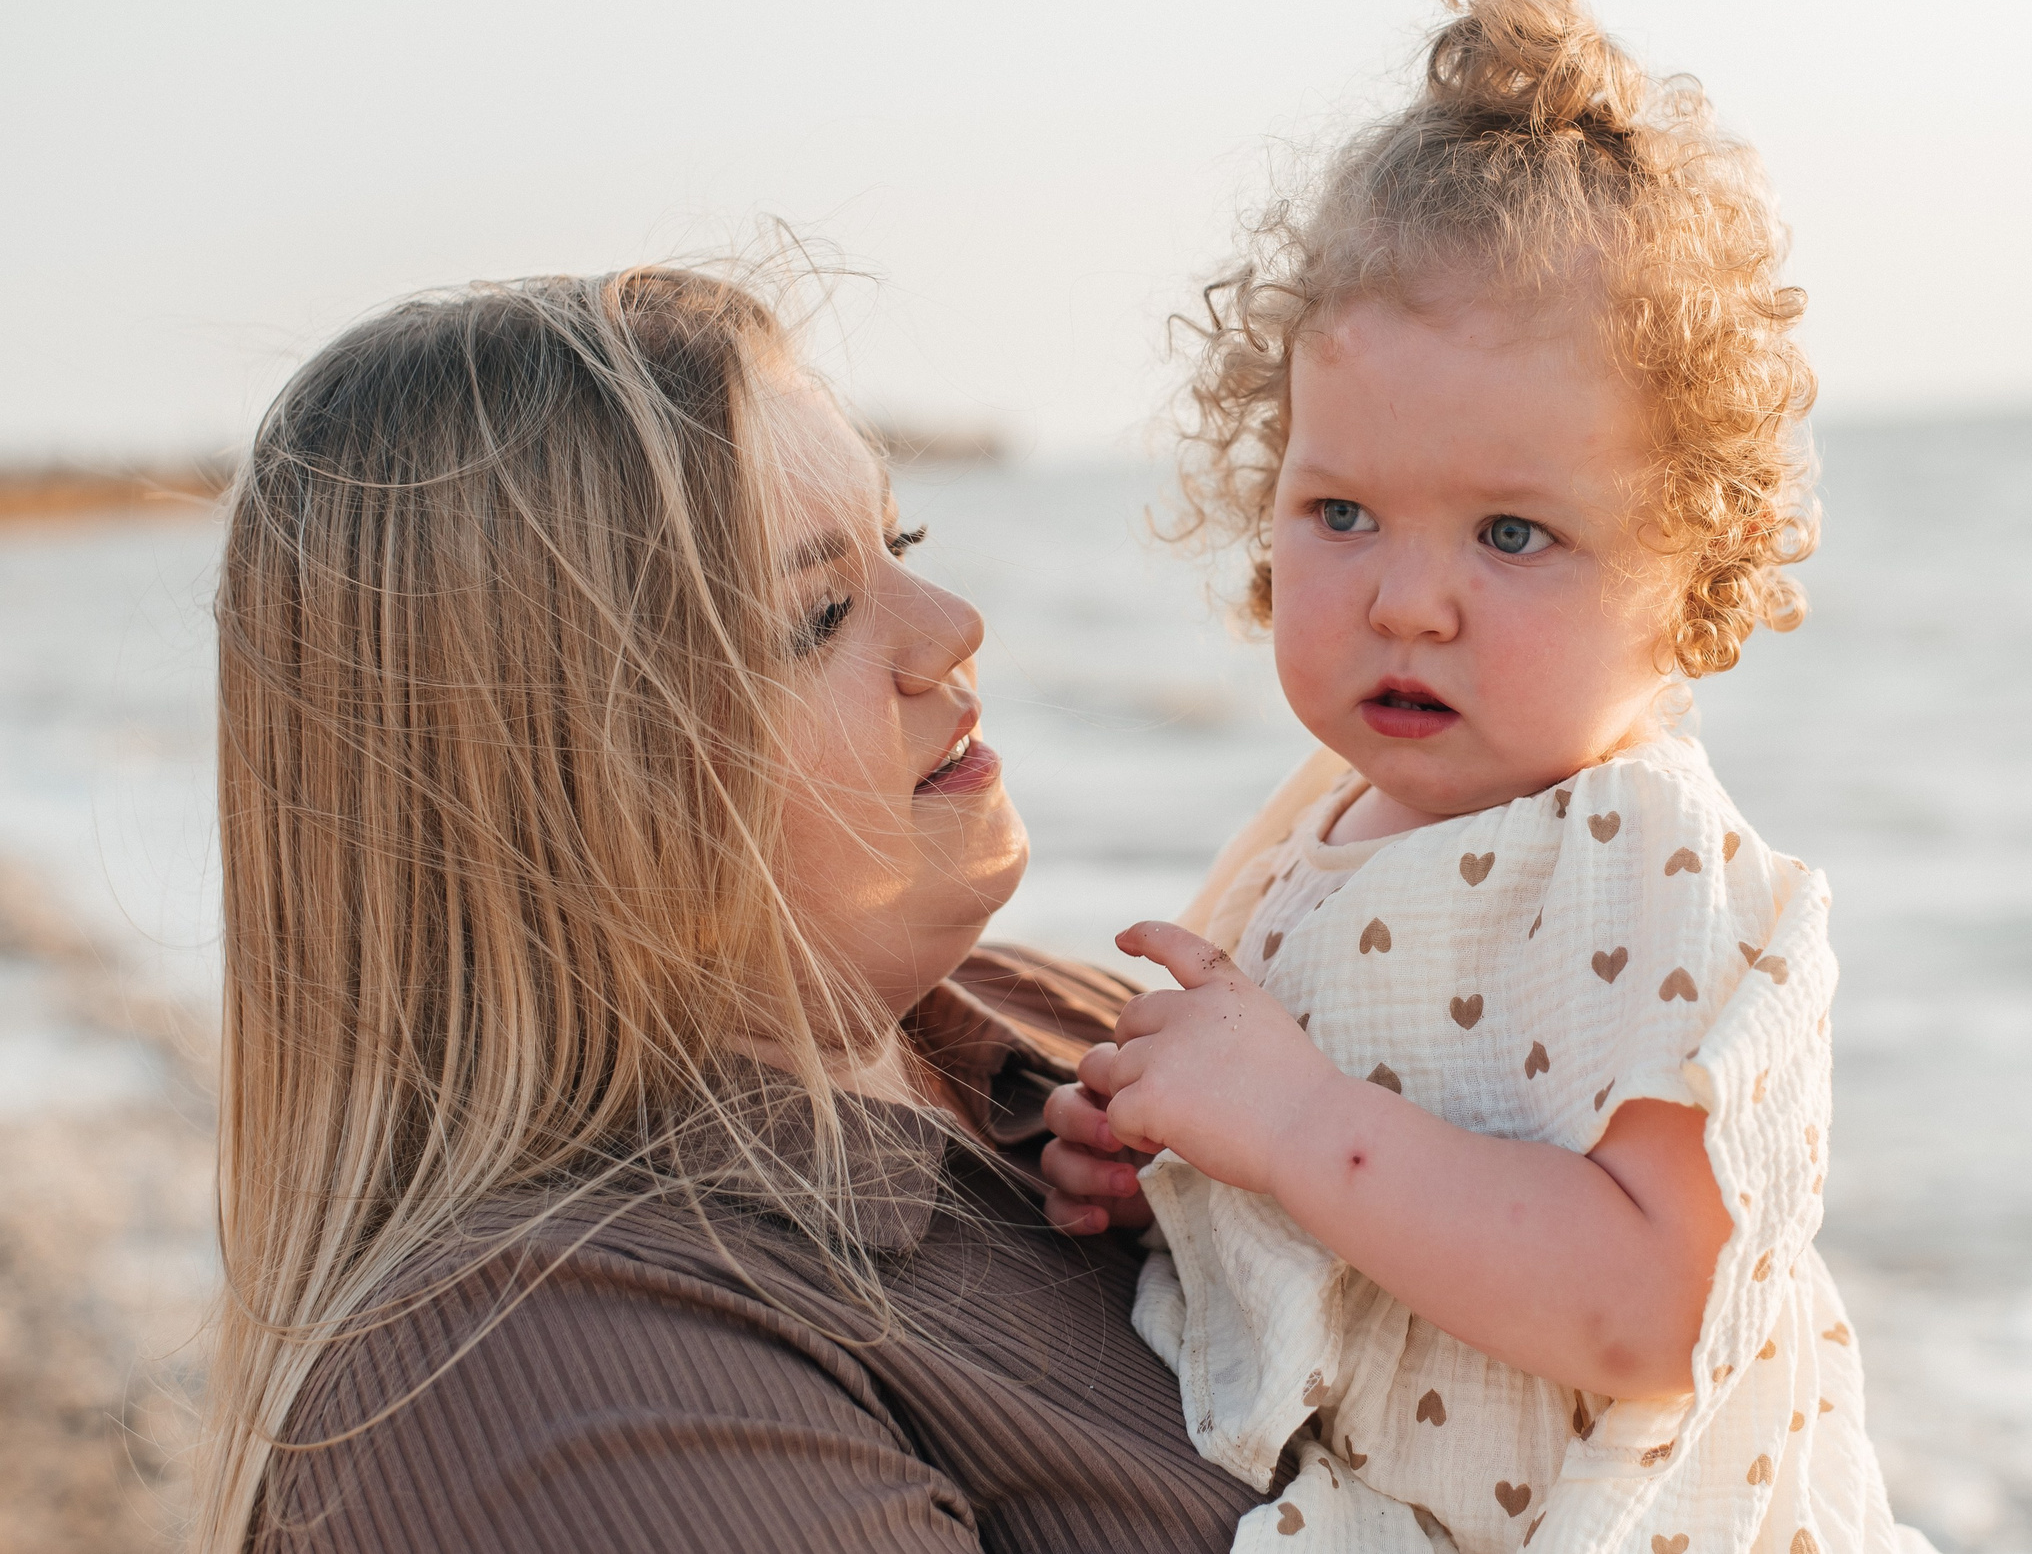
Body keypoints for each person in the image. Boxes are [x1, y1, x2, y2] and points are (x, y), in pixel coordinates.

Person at [1038, 0, 1922, 1553]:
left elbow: (1652, 1302)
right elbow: (1341, 1182)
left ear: (1692, 570)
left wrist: (1293, 1124)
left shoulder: (1639, 849)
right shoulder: (1329, 812)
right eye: (1343, 510)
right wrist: (1174, 1158)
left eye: (1512, 531)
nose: (1410, 599)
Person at [197, 267, 1274, 1552]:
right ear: (562, 782)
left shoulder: (1078, 1025)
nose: (952, 626)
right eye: (817, 614)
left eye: (902, 546)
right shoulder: (550, 1372)